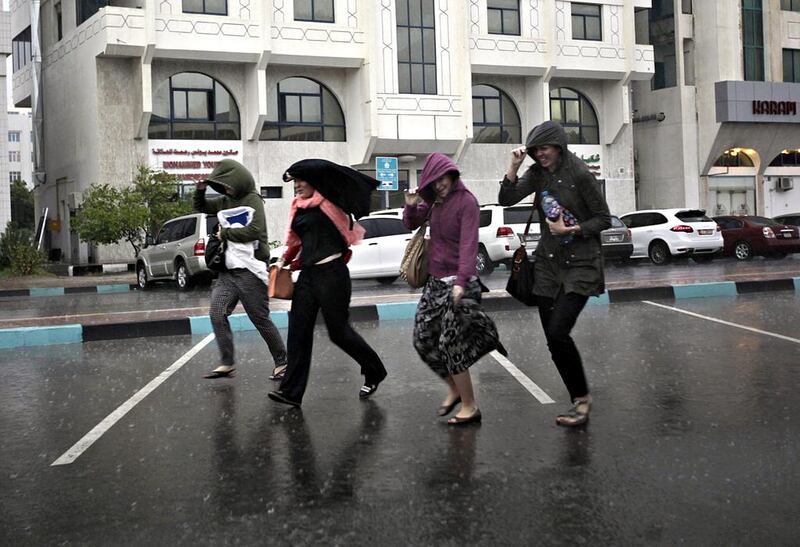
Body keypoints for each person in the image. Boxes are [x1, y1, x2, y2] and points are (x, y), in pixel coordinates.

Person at [499, 120, 611, 426]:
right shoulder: (536, 173)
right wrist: (514, 166)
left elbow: (604, 219)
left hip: (581, 264)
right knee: (552, 338)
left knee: (559, 332)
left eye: (544, 148)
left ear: (559, 146)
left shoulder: (580, 174)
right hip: (548, 264)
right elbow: (506, 199)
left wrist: (572, 228)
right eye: (535, 150)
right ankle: (578, 399)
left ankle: (583, 401)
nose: (540, 154)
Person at [268, 160, 388, 407]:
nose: (297, 185)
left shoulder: (332, 205)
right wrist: (281, 262)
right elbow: (297, 242)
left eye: (302, 180)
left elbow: (345, 240)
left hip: (332, 275)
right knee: (298, 332)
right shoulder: (298, 208)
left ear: (315, 181)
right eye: (295, 181)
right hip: (308, 277)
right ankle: (291, 392)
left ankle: (374, 370)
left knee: (338, 332)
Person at [404, 152, 505, 426]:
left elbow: (468, 247)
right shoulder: (435, 203)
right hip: (436, 281)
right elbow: (410, 223)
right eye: (434, 182)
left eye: (443, 179)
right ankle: (454, 388)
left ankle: (470, 406)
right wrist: (412, 206)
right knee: (423, 339)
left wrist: (461, 283)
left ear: (452, 174)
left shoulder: (466, 202)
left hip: (461, 284)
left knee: (450, 343)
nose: (439, 185)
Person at [194, 159, 288, 381]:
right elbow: (201, 207)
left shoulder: (253, 199)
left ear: (238, 180)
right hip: (227, 271)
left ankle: (282, 362)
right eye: (223, 186)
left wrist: (223, 234)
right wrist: (200, 191)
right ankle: (227, 362)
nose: (226, 189)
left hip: (251, 270)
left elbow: (253, 231)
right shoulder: (225, 201)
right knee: (216, 313)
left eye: (228, 184)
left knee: (259, 318)